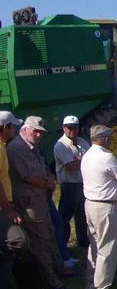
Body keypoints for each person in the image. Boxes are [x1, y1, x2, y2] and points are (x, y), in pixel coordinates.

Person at [7, 116, 65, 289]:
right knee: (40, 241)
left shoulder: (32, 146)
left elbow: (44, 169)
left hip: (40, 198)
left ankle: (58, 270)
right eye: (35, 130)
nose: (38, 134)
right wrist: (48, 182)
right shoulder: (16, 148)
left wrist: (50, 179)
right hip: (30, 203)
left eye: (41, 132)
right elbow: (29, 177)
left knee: (49, 234)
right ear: (24, 129)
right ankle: (51, 280)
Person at [81, 125, 117, 289]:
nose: (110, 140)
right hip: (105, 207)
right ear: (104, 139)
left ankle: (91, 280)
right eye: (109, 137)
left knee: (94, 244)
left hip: (90, 204)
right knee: (107, 248)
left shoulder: (87, 154)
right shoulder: (107, 157)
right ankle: (102, 285)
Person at [0, 111, 29, 289]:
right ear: (5, 127)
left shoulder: (2, 146)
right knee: (19, 240)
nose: (15, 129)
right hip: (2, 209)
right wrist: (8, 209)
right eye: (12, 126)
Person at [53, 115, 90, 250]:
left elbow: (90, 159)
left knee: (82, 215)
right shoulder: (60, 145)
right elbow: (71, 167)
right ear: (64, 128)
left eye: (75, 127)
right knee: (65, 217)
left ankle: (83, 241)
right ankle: (62, 244)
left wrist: (79, 159)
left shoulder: (82, 142)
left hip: (82, 183)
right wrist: (83, 160)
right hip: (69, 185)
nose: (72, 130)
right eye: (69, 127)